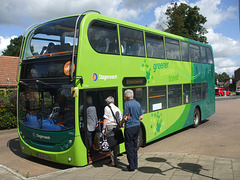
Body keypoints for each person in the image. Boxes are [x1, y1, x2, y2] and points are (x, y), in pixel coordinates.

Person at [121, 89, 143, 172]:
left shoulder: (127, 104)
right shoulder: (138, 103)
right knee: (134, 146)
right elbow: (141, 117)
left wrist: (121, 123)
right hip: (137, 126)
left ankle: (131, 166)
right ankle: (135, 164)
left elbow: (125, 117)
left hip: (130, 127)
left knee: (129, 147)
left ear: (126, 96)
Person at [102, 96, 122, 167]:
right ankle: (114, 159)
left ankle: (113, 162)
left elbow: (106, 119)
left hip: (110, 127)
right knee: (115, 144)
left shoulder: (107, 108)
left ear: (107, 102)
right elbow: (120, 119)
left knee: (111, 144)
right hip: (116, 127)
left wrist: (103, 128)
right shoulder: (117, 108)